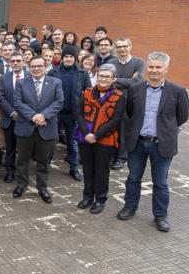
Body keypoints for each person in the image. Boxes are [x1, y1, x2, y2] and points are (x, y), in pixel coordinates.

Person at [117, 52, 189, 232]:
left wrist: (167, 131)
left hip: (162, 144)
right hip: (138, 143)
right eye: (151, 67)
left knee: (161, 182)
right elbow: (131, 112)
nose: (154, 70)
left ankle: (160, 215)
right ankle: (130, 207)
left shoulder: (178, 91)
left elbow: (182, 116)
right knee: (133, 178)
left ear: (165, 69)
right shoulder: (136, 89)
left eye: (158, 67)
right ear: (147, 68)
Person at [75, 64, 126, 214]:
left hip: (105, 140)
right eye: (101, 76)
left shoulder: (119, 96)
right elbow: (79, 114)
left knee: (102, 171)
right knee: (88, 168)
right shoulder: (87, 93)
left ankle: (100, 199)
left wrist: (96, 135)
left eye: (107, 77)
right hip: (85, 138)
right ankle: (88, 197)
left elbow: (115, 120)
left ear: (114, 79)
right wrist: (87, 134)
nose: (103, 79)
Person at [13, 55, 64, 203]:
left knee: (44, 161)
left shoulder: (56, 83)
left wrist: (44, 116)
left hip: (47, 128)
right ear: (29, 67)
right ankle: (21, 184)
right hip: (25, 128)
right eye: (33, 66)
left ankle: (42, 187)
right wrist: (34, 116)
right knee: (22, 160)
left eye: (39, 66)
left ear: (45, 66)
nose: (36, 69)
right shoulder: (21, 83)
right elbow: (18, 102)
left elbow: (59, 102)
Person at [48, 45, 92, 181]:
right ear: (62, 58)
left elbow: (89, 93)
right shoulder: (53, 73)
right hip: (55, 113)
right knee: (50, 141)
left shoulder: (82, 74)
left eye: (71, 57)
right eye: (66, 56)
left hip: (73, 114)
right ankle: (45, 166)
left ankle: (74, 168)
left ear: (75, 58)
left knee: (72, 143)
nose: (68, 59)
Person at [109, 37, 146, 170]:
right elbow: (108, 81)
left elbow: (136, 82)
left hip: (130, 102)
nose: (122, 49)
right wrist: (127, 80)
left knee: (124, 130)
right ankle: (112, 154)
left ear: (130, 46)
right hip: (113, 100)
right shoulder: (112, 62)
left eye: (125, 46)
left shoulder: (139, 63)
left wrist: (116, 80)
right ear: (115, 49)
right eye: (119, 47)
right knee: (112, 128)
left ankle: (121, 157)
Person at [0, 52, 29, 183]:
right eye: (13, 61)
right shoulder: (4, 77)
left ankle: (22, 173)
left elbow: (32, 98)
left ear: (23, 62)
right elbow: (1, 97)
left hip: (26, 119)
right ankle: (10, 171)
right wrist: (12, 112)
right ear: (10, 62)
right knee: (10, 148)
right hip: (9, 119)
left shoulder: (30, 76)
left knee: (24, 149)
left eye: (18, 60)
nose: (15, 63)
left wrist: (22, 113)